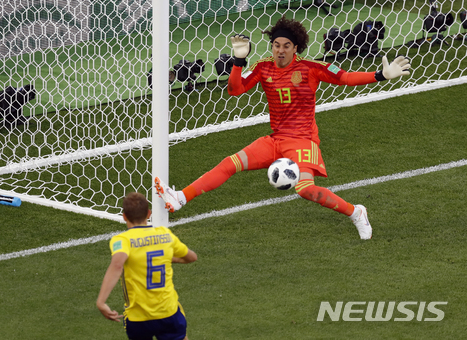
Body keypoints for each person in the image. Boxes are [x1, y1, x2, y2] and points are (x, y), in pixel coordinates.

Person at [155, 16, 411, 240]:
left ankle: (356, 212)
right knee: (230, 163)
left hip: (303, 141)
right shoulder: (263, 68)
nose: (280, 50)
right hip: (276, 139)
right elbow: (235, 91)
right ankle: (180, 197)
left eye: (286, 46)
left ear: (295, 48)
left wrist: (380, 75)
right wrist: (238, 61)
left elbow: (344, 77)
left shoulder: (311, 68)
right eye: (276, 45)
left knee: (306, 190)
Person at [96, 192, 197, 340]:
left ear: (124, 216)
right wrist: (168, 257)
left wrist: (101, 302)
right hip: (168, 313)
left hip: (138, 318)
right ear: (149, 214)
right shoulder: (165, 235)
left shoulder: (122, 240)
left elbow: (117, 264)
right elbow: (191, 257)